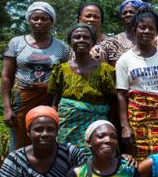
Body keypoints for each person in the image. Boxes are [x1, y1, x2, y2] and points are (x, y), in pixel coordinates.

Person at [0, 2, 70, 150]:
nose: (39, 22)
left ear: (52, 21)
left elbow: (65, 77)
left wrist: (57, 104)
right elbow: (6, 76)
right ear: (29, 20)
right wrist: (7, 108)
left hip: (49, 99)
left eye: (44, 19)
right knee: (20, 140)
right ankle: (17, 171)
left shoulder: (61, 47)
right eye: (35, 18)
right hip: (22, 98)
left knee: (47, 138)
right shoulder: (16, 43)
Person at [116, 7, 158, 159]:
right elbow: (121, 95)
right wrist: (125, 126)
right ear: (134, 29)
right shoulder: (125, 60)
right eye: (142, 27)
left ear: (157, 32)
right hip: (137, 119)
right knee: (137, 159)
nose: (146, 31)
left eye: (151, 28)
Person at [48, 23, 117, 155]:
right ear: (70, 41)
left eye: (86, 37)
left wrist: (108, 124)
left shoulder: (105, 71)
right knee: (67, 158)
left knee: (98, 159)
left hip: (97, 126)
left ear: (93, 42)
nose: (81, 40)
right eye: (77, 37)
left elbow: (113, 101)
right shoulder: (61, 70)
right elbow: (55, 102)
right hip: (67, 127)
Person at [77, 2, 125, 66]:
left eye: (96, 17)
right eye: (88, 16)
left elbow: (118, 70)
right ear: (80, 19)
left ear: (101, 21)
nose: (92, 19)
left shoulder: (112, 43)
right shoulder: (74, 42)